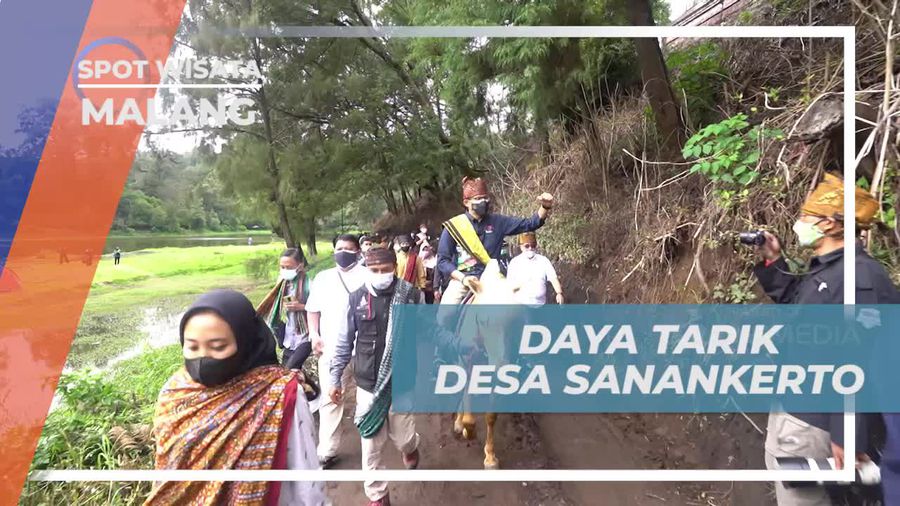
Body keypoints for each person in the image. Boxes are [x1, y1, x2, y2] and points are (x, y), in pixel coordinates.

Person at [752, 173, 899, 506]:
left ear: (831, 223)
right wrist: (773, 261)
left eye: (808, 216)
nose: (800, 223)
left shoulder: (859, 279)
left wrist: (847, 433)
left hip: (813, 421)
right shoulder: (830, 269)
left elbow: (859, 359)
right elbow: (799, 307)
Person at [146, 290, 325, 505]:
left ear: (245, 342)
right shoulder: (175, 391)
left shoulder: (279, 393)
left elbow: (305, 477)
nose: (203, 358)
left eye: (218, 347)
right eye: (192, 346)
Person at [330, 247, 422, 506]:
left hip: (401, 382)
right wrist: (335, 379)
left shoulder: (411, 296)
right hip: (368, 384)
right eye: (374, 270)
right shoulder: (356, 299)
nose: (380, 274)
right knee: (371, 444)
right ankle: (378, 495)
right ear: (366, 269)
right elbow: (344, 342)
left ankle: (411, 447)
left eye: (385, 270)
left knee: (403, 439)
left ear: (395, 268)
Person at [437, 176, 554, 304]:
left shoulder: (498, 222)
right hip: (464, 281)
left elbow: (530, 223)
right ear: (466, 202)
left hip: (493, 278)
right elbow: (443, 261)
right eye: (478, 199)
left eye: (485, 198)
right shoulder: (454, 226)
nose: (483, 201)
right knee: (445, 312)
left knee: (516, 305)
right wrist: (463, 279)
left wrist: (545, 207)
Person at [305, 233, 368, 469]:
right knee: (330, 398)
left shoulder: (369, 275)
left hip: (364, 349)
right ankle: (327, 450)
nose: (342, 252)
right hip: (331, 349)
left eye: (348, 248)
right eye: (339, 248)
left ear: (358, 252)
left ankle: (372, 446)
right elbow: (313, 309)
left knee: (367, 399)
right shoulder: (323, 278)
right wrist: (314, 334)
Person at [257, 248, 312, 372]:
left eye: (289, 267)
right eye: (282, 267)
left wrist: (301, 307)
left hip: (305, 335)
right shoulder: (282, 284)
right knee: (287, 372)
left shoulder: (310, 284)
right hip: (288, 336)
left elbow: (321, 308)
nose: (285, 270)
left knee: (289, 370)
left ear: (300, 266)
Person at [506, 232, 564, 306]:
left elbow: (553, 278)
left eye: (533, 245)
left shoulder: (543, 260)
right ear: (521, 247)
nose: (530, 248)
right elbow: (509, 286)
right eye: (527, 246)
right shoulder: (514, 263)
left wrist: (559, 293)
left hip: (540, 305)